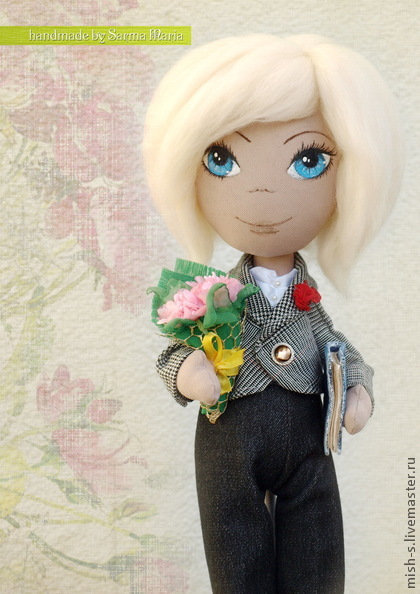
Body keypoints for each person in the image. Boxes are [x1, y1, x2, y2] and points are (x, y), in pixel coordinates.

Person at [144, 34, 403, 593]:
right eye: (222, 159)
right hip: (228, 436)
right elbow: (175, 349)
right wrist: (188, 371)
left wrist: (356, 386)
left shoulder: (311, 306)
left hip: (308, 438)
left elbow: (336, 345)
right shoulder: (210, 299)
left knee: (318, 548)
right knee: (234, 552)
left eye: (309, 161)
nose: (262, 192)